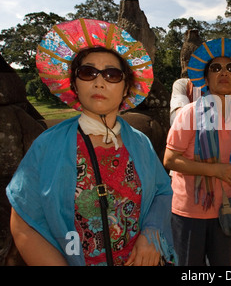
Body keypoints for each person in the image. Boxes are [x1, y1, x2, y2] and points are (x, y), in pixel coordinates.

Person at [7, 19, 176, 266]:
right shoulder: (48, 146)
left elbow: (162, 191)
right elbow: (23, 224)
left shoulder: (140, 143)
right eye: (88, 73)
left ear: (126, 87)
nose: (99, 82)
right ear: (75, 83)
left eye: (112, 74)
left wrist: (151, 234)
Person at [163, 38, 231, 266]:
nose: (224, 72)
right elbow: (170, 159)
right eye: (216, 68)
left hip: (227, 207)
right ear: (206, 79)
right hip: (190, 211)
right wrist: (215, 170)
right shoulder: (189, 113)